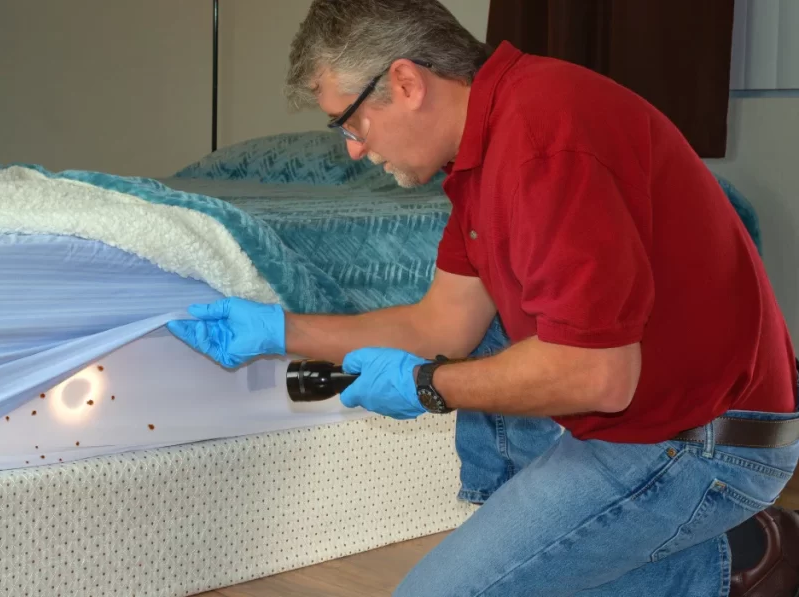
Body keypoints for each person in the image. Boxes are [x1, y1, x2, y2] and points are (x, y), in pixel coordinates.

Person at [167, 0, 799, 594]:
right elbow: (439, 326)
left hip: (697, 444)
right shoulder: (486, 150)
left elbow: (596, 375)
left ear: (408, 83)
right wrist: (280, 330)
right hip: (647, 421)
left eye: (352, 122)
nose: (356, 149)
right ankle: (744, 557)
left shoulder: (543, 140)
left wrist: (426, 386)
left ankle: (720, 539)